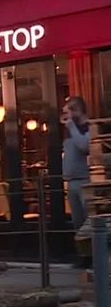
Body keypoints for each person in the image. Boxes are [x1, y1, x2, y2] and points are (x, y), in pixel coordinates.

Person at [62, 96, 91, 231]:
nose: (65, 117)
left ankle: (95, 251)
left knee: (88, 220)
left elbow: (84, 146)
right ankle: (83, 251)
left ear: (76, 111)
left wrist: (72, 127)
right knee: (77, 223)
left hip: (85, 180)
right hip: (71, 181)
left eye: (67, 113)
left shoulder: (88, 127)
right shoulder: (70, 130)